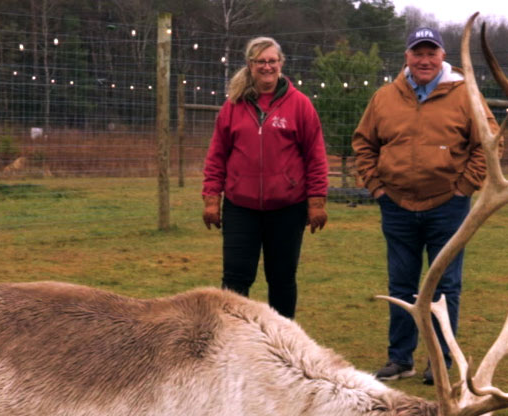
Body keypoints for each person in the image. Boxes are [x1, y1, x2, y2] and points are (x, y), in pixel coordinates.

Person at [352, 26, 488, 383]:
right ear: (407, 57)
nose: (424, 60)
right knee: (401, 286)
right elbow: (364, 143)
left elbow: (489, 144)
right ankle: (400, 359)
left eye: (431, 53)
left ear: (443, 56)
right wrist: (377, 187)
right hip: (396, 205)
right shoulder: (385, 97)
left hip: (448, 206)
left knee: (446, 287)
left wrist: (465, 187)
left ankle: (441, 361)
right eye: (418, 53)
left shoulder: (466, 95)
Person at [202, 36, 329, 320]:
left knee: (282, 279)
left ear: (281, 64)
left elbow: (316, 157)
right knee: (235, 279)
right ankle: (230, 341)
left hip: (287, 207)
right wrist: (212, 199)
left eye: (272, 61)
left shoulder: (300, 105)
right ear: (250, 65)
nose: (267, 67)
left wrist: (317, 202)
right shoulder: (233, 106)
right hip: (240, 207)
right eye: (261, 61)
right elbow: (216, 157)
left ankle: (283, 344)